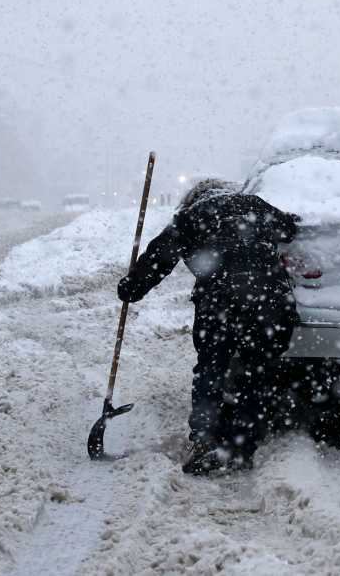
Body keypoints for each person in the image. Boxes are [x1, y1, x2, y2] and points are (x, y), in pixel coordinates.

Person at [117, 179, 300, 476]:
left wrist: (132, 287)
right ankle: (243, 448)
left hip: (219, 304)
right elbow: (290, 229)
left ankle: (204, 443)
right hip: (266, 302)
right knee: (256, 370)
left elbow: (160, 257)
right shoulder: (255, 205)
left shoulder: (192, 216)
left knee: (210, 369)